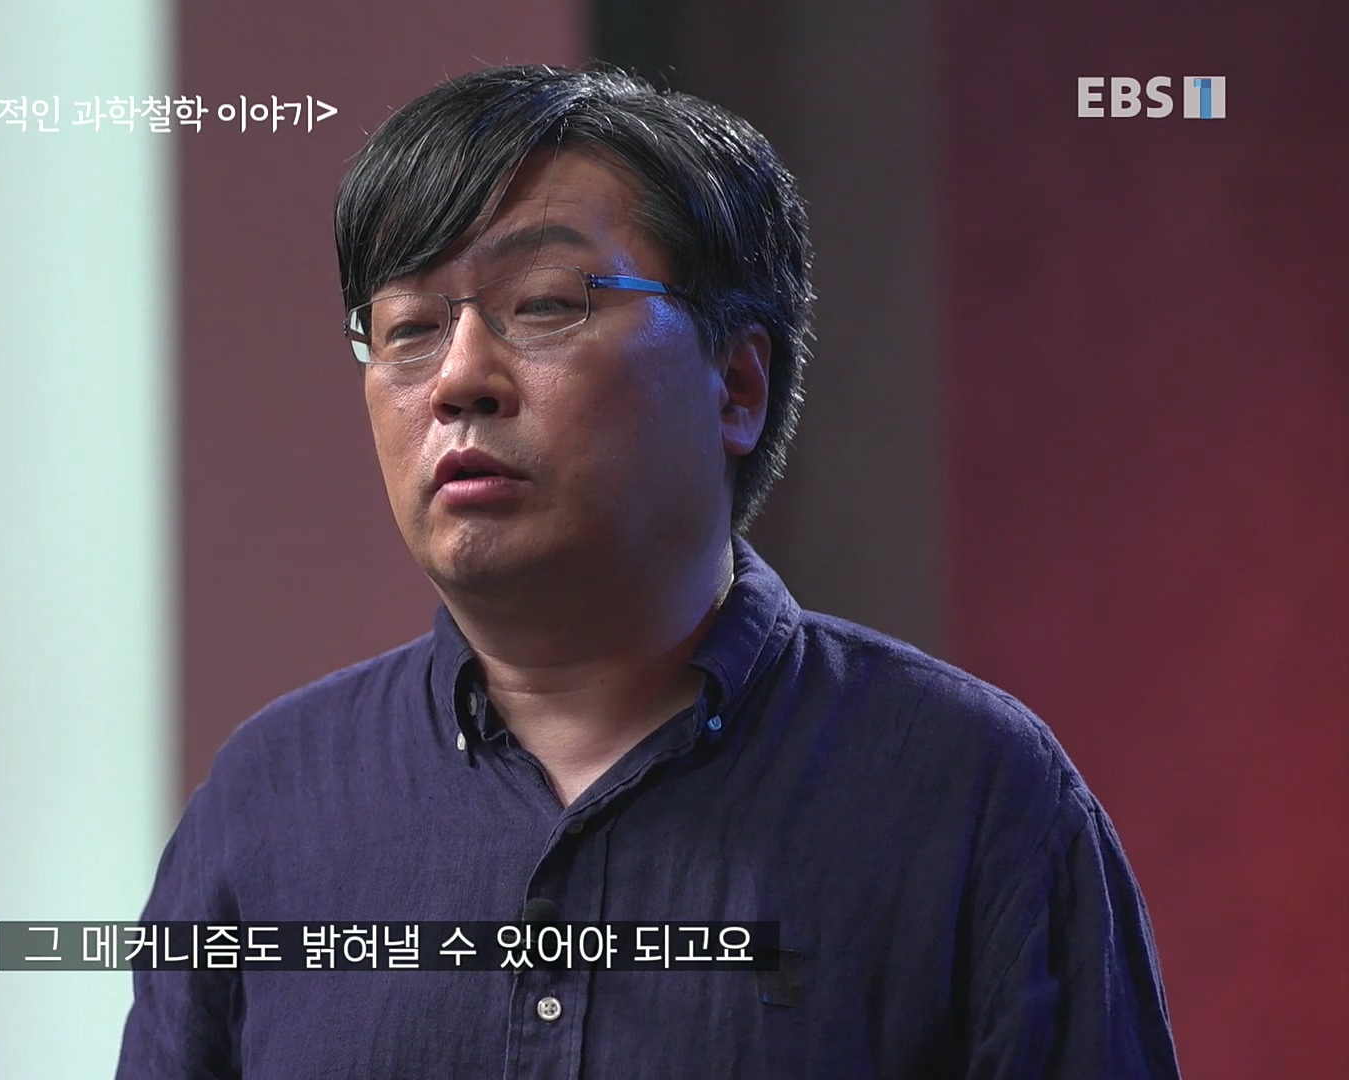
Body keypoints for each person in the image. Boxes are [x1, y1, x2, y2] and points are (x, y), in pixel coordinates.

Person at [117, 63, 1179, 1078]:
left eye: (545, 303)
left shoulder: (972, 792)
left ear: (737, 385)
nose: (459, 378)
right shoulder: (267, 804)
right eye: (408, 328)